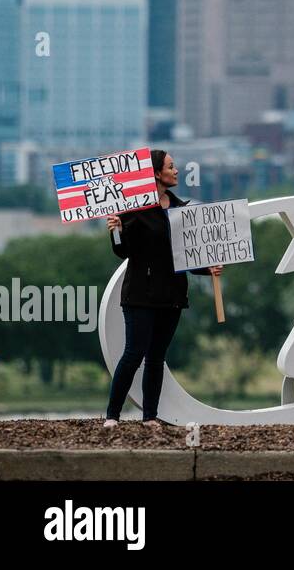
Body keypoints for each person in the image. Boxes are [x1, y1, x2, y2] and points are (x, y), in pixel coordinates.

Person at [103, 149, 222, 427]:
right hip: (140, 295)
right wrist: (116, 230)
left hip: (172, 296)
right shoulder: (136, 209)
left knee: (156, 358)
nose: (177, 170)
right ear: (157, 173)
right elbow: (124, 252)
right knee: (133, 354)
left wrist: (209, 270)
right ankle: (112, 415)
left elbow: (188, 259)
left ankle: (150, 416)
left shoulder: (182, 210)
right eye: (171, 166)